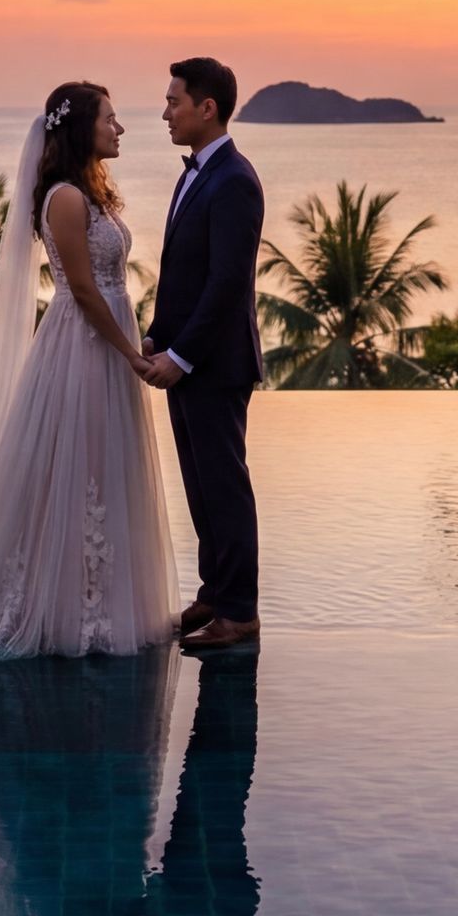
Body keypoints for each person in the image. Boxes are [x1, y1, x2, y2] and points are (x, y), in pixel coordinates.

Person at [0, 81, 179, 657]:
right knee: (78, 465)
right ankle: (60, 604)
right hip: (84, 346)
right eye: (111, 118)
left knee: (105, 464)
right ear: (82, 127)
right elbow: (83, 290)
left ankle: (103, 595)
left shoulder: (95, 194)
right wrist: (131, 353)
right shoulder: (65, 197)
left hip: (108, 338)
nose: (120, 127)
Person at [138, 57, 265, 649]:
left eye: (173, 101)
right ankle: (214, 593)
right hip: (187, 359)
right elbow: (181, 275)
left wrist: (182, 356)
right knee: (199, 482)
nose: (165, 112)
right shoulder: (194, 175)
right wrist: (158, 339)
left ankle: (239, 611)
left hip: (215, 363)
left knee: (224, 483)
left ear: (205, 108)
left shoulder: (235, 179)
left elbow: (226, 283)